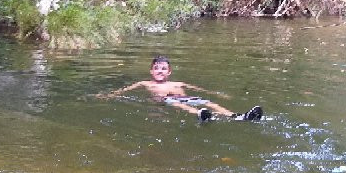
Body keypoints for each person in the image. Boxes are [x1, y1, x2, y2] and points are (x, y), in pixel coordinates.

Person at [103, 55, 262, 122]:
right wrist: (110, 95)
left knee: (210, 102)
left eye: (163, 69)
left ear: (169, 72)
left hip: (187, 98)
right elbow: (125, 90)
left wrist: (219, 94)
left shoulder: (179, 84)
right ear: (151, 71)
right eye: (156, 68)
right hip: (166, 100)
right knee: (179, 104)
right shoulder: (145, 83)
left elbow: (201, 90)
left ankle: (237, 116)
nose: (160, 71)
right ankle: (200, 114)